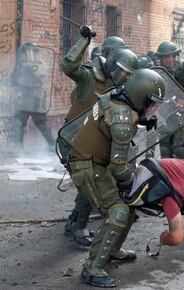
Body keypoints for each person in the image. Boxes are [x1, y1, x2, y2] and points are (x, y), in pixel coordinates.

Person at [64, 69, 165, 287]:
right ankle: (92, 268)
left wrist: (142, 119)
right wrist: (137, 184)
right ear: (140, 96)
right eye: (151, 103)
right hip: (87, 166)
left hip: (93, 161)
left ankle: (112, 250)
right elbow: (118, 167)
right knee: (118, 210)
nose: (152, 109)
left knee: (128, 205)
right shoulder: (122, 119)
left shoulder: (115, 97)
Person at [61, 26, 136, 249]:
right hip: (72, 139)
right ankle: (78, 227)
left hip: (95, 139)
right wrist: (83, 40)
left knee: (92, 183)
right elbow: (68, 65)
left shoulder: (119, 84)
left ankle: (74, 221)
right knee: (90, 181)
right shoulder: (88, 76)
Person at [11, 42, 55, 152]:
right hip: (23, 101)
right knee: (18, 123)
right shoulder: (20, 65)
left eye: (30, 52)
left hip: (36, 102)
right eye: (26, 52)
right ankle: (18, 150)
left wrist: (30, 62)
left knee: (42, 125)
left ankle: (53, 147)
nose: (27, 54)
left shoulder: (41, 65)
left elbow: (38, 73)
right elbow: (14, 80)